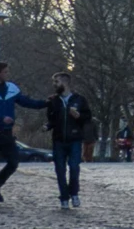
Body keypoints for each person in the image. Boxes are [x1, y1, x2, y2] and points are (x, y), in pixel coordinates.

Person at [0, 61, 48, 208]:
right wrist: (0, 117)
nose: (7, 74)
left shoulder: (11, 88)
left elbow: (26, 102)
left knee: (13, 162)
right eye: (5, 72)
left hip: (6, 132)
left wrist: (45, 103)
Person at [46, 77, 95, 211]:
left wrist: (78, 116)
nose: (54, 84)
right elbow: (51, 119)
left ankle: (74, 193)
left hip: (75, 138)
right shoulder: (54, 100)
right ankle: (64, 197)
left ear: (66, 82)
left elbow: (88, 117)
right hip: (58, 139)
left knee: (74, 167)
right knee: (60, 170)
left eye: (57, 82)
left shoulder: (80, 99)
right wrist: (47, 126)